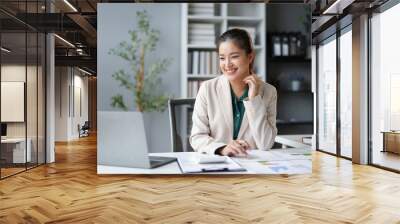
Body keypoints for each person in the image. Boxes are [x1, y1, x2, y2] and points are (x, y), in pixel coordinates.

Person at [190, 28, 277, 157]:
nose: (227, 64)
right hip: (217, 165)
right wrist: (222, 148)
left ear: (250, 57)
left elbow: (265, 144)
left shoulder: (269, 92)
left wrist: (254, 100)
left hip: (252, 166)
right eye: (222, 58)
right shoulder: (207, 89)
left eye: (234, 57)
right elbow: (197, 137)